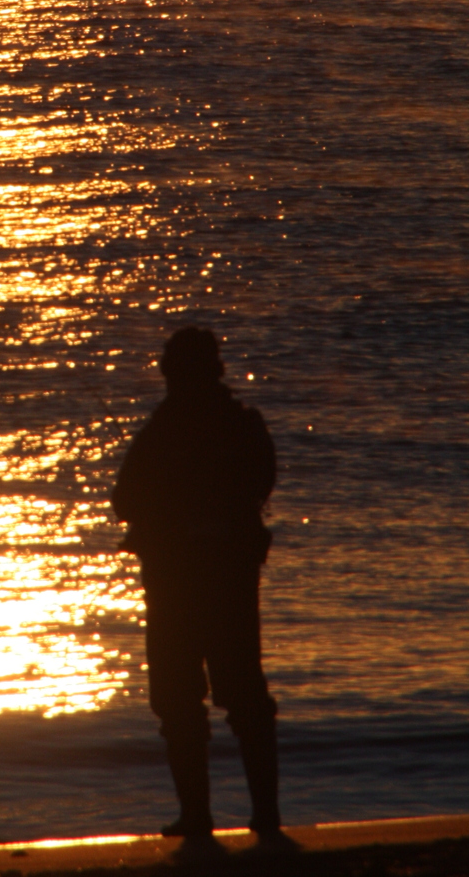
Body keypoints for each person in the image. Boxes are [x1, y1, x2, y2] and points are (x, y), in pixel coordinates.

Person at [112, 326, 280, 839]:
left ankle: (202, 816)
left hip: (180, 581)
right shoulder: (239, 425)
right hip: (220, 578)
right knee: (236, 697)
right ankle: (259, 816)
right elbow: (261, 482)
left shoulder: (166, 432)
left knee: (184, 699)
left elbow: (124, 500)